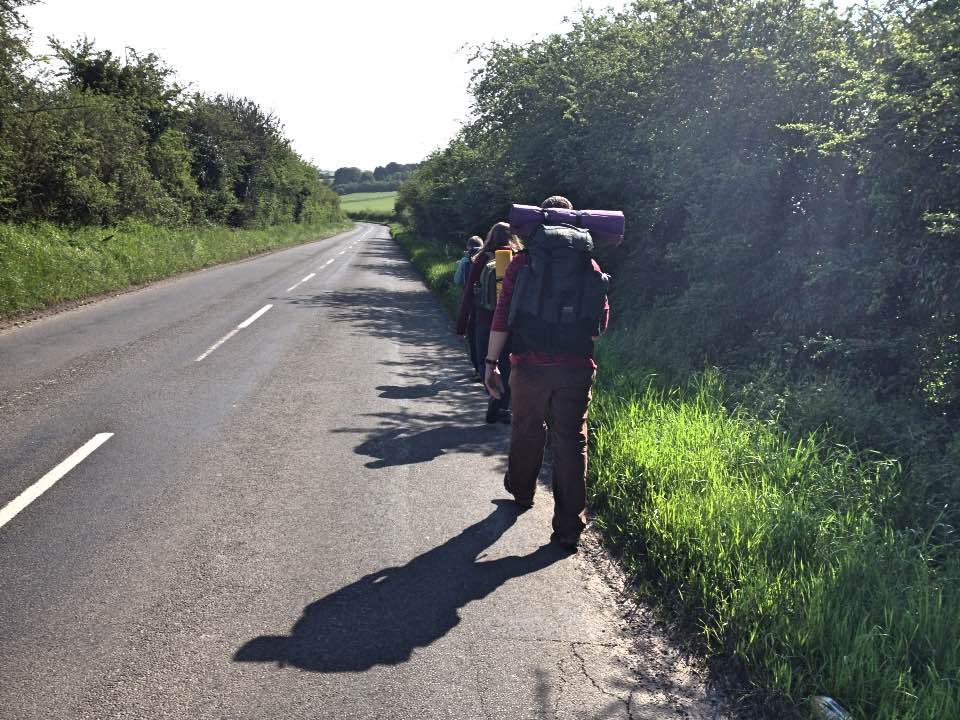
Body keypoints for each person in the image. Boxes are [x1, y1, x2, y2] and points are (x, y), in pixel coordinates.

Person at [484, 196, 610, 551]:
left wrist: (491, 363)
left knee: (526, 429)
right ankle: (569, 527)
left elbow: (502, 316)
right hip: (576, 366)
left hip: (529, 365)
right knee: (571, 442)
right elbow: (599, 327)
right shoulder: (591, 265)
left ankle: (522, 493)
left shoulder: (520, 263)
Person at [456, 222, 521, 423]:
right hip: (512, 322)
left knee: (487, 360)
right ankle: (504, 406)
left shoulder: (481, 259)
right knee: (508, 363)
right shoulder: (519, 258)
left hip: (484, 320)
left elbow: (468, 295)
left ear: (490, 237)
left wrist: (461, 326)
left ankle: (494, 395)